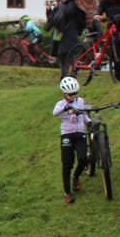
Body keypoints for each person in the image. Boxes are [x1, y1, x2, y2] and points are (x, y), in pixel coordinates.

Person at [52, 75, 90, 204]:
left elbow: (84, 114)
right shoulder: (60, 104)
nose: (73, 96)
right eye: (70, 94)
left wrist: (89, 122)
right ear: (64, 93)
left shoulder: (80, 101)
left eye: (75, 93)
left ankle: (76, 176)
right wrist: (65, 108)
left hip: (79, 133)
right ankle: (67, 192)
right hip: (67, 134)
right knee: (67, 164)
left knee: (83, 158)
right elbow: (54, 113)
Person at [49, 0, 87, 77]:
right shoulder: (60, 4)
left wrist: (79, 30)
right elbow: (53, 18)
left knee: (70, 54)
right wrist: (51, 10)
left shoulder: (73, 5)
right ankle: (63, 76)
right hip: (60, 34)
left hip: (70, 32)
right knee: (61, 54)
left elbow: (78, 18)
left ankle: (72, 74)